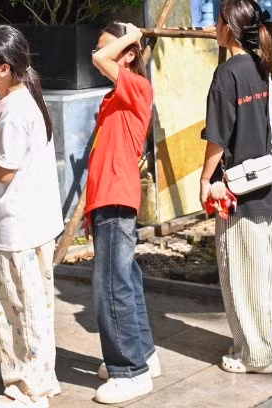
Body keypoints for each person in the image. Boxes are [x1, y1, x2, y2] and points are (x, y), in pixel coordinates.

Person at [0, 25, 63, 408]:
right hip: (38, 223)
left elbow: (3, 171)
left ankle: (29, 390)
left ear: (4, 68)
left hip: (20, 226)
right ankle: (42, 380)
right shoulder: (28, 99)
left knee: (18, 310)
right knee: (36, 307)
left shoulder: (12, 111)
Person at [203, 0, 272, 371]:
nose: (214, 27)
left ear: (230, 29)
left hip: (238, 188)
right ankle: (271, 346)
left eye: (218, 21)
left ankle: (255, 355)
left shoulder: (227, 74)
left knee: (242, 274)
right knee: (268, 274)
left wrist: (206, 179)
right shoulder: (264, 68)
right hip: (269, 185)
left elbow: (218, 139)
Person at [86, 22, 159, 404]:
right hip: (106, 197)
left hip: (116, 196)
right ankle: (143, 354)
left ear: (129, 54)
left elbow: (100, 59)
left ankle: (129, 370)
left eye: (112, 47)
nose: (99, 54)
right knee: (124, 280)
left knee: (110, 286)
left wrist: (132, 36)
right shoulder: (114, 96)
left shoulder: (137, 87)